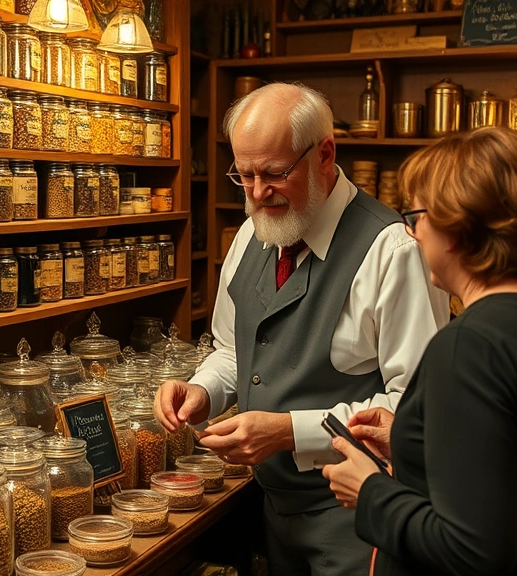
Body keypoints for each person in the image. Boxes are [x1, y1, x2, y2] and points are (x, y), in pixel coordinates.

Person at [153, 82, 449, 575]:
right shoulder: (251, 233)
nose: (256, 193)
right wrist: (203, 390)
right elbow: (233, 350)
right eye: (244, 175)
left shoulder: (393, 250)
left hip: (357, 516)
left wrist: (290, 432)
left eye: (274, 173)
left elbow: (417, 410)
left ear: (325, 154)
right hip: (273, 507)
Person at [322, 127, 517, 576]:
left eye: (416, 216)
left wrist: (370, 492)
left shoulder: (472, 345)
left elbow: (474, 551)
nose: (412, 232)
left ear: (457, 228)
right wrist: (416, 440)